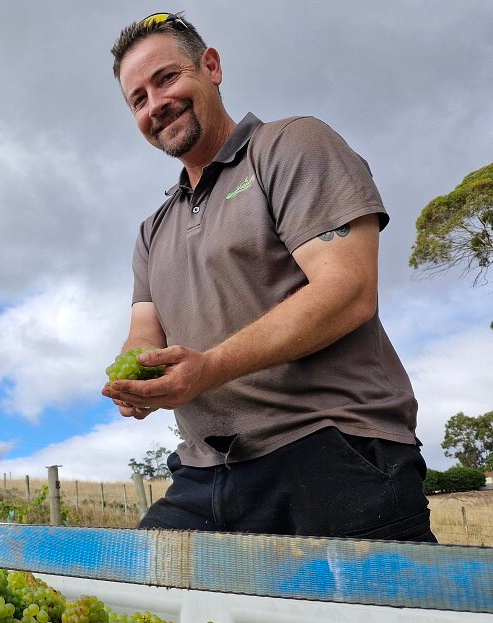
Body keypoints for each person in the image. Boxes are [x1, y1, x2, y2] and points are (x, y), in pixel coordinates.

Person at [100, 12, 437, 541]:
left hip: (332, 447)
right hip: (206, 473)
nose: (155, 104)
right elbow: (144, 334)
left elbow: (348, 291)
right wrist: (136, 383)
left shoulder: (289, 146)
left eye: (166, 78)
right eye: (138, 99)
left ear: (211, 67)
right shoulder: (152, 230)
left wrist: (209, 367)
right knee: (134, 597)